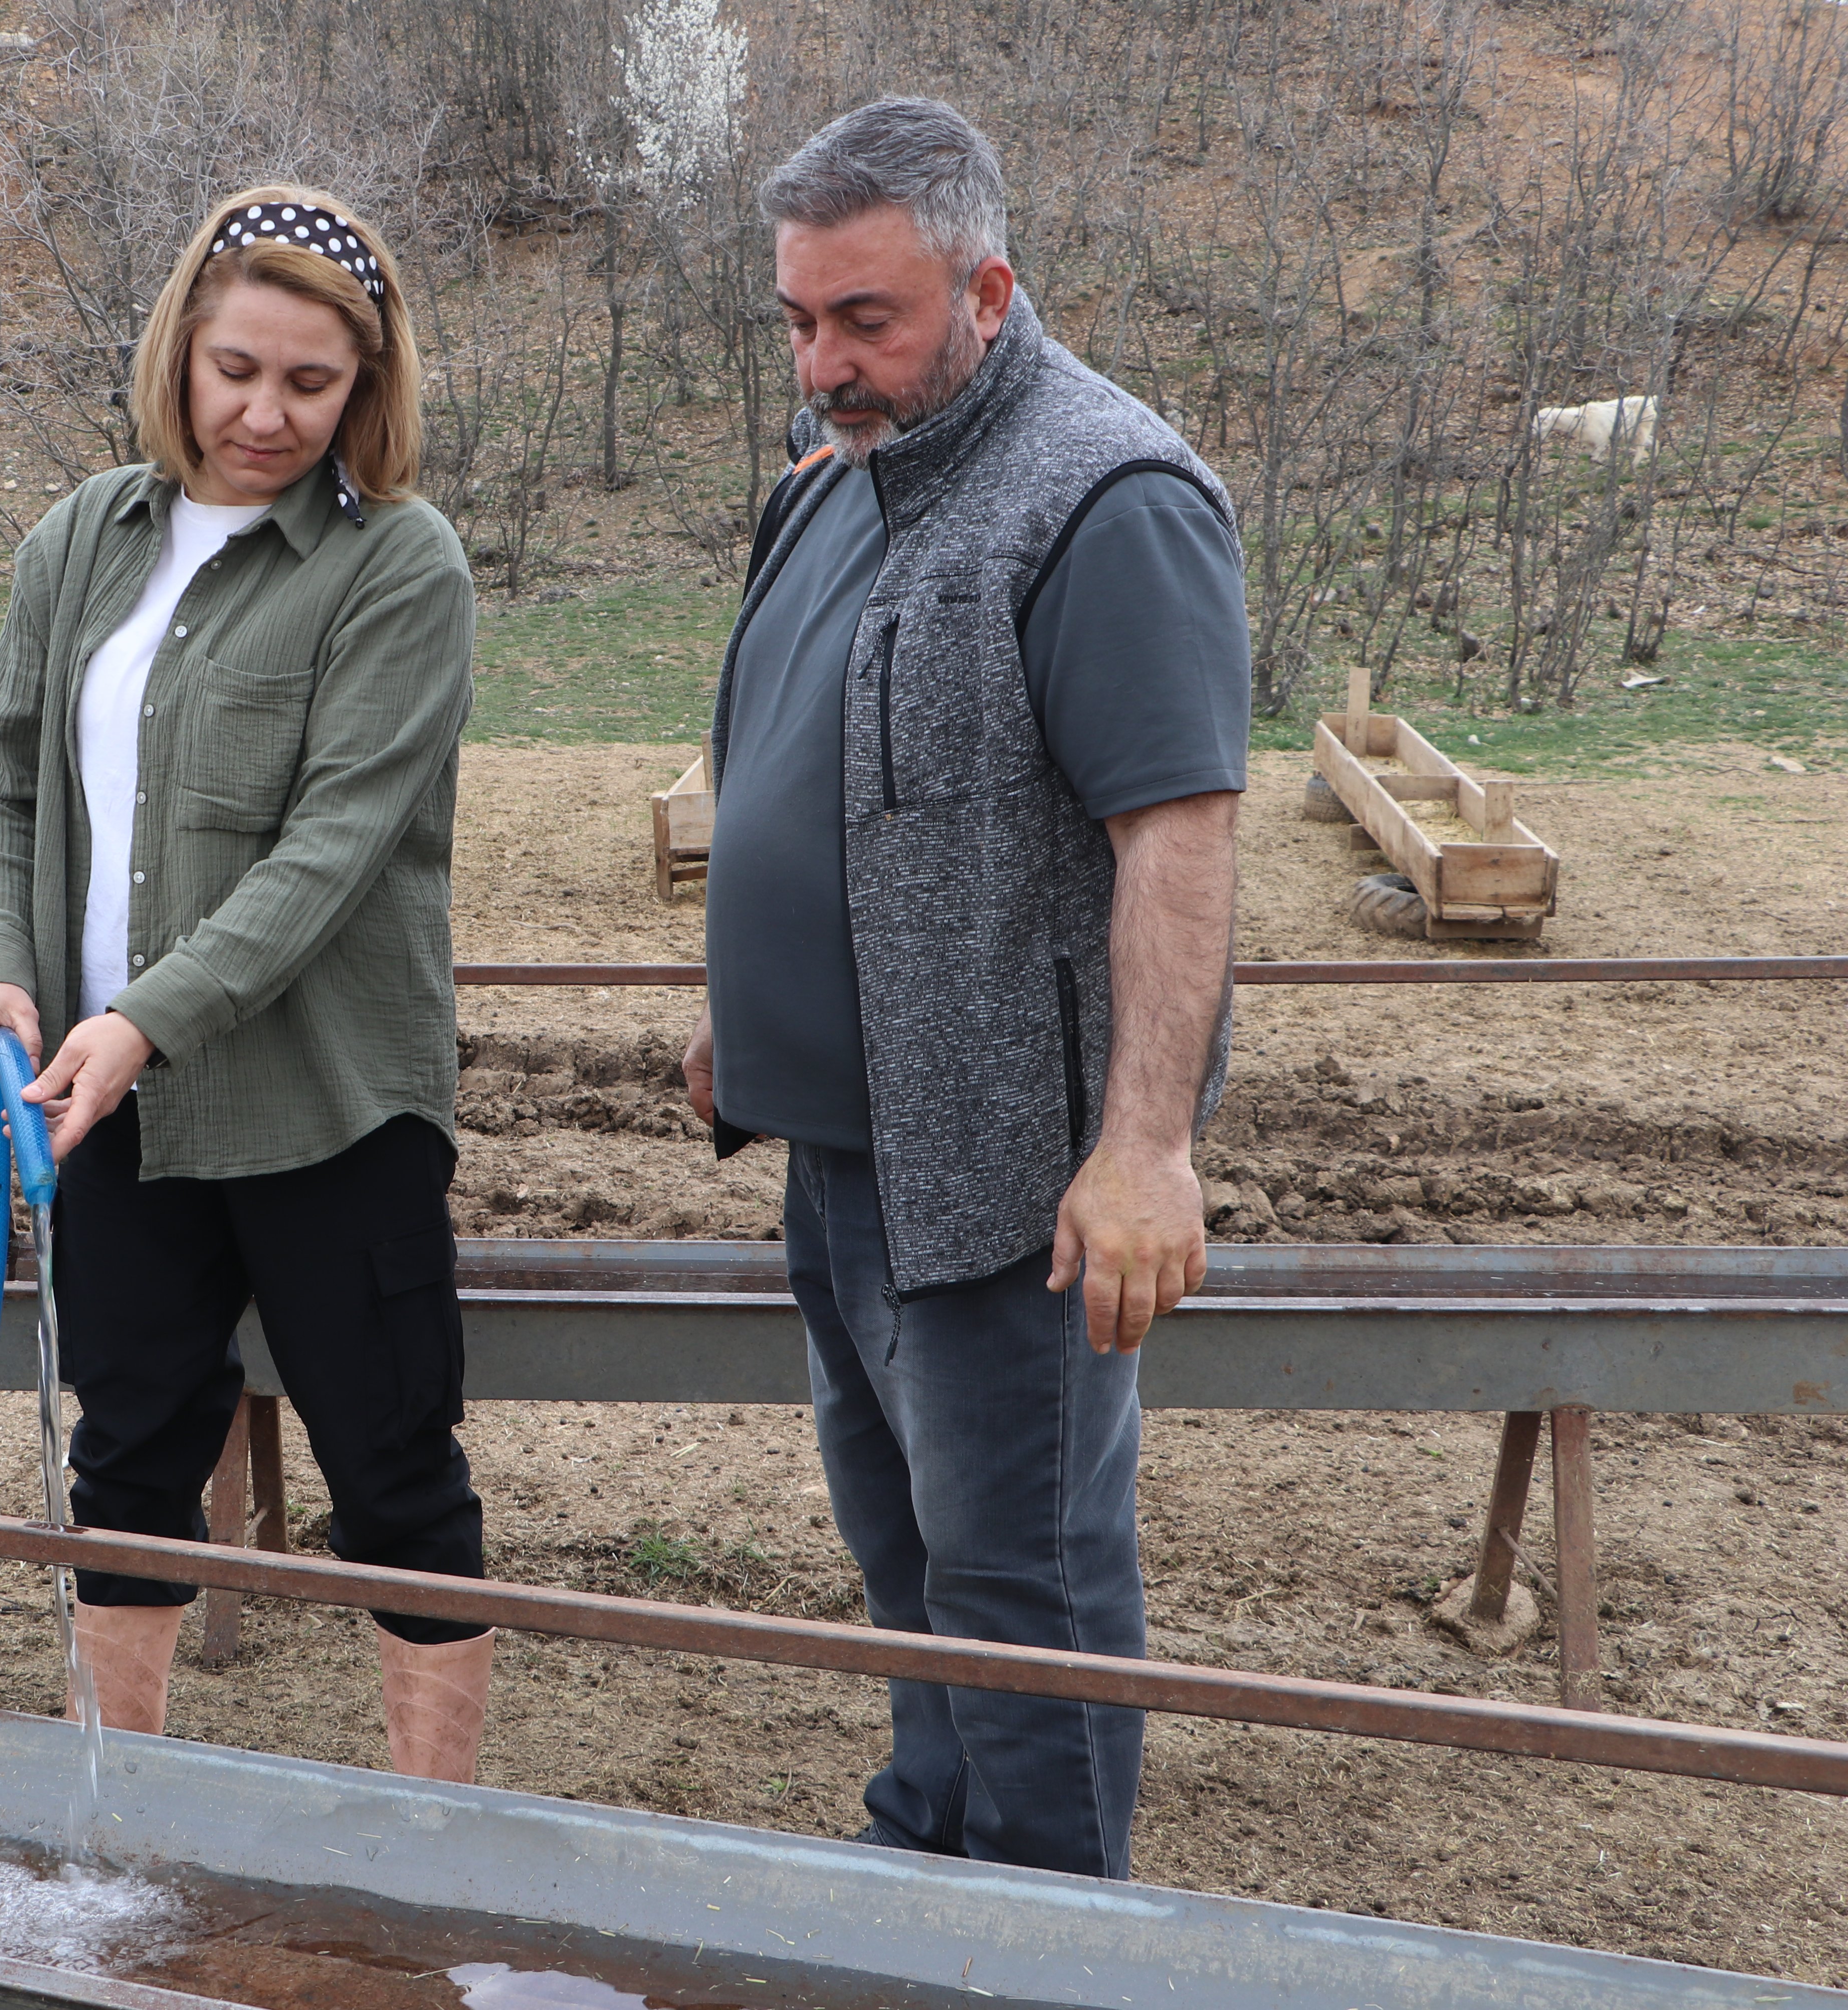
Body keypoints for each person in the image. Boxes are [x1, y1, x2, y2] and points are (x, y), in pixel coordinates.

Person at [681, 98, 1248, 1878]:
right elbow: (805, 749)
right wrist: (744, 1005)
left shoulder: (1105, 496)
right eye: (799, 318)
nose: (826, 360)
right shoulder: (844, 461)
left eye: (870, 320)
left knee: (1025, 1586)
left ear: (988, 288)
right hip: (840, 1150)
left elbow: (1181, 836)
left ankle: (1049, 1932)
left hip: (1013, 1185)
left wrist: (1146, 1146)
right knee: (909, 1557)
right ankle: (925, 1870)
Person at [0, 186, 490, 1780]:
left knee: (392, 1468)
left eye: (311, 386)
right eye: (235, 368)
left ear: (366, 393)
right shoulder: (82, 539)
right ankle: (131, 1820)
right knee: (127, 1460)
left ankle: (436, 1846)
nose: (264, 414)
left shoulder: (402, 569)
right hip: (106, 1113)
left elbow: (330, 856)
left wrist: (142, 1021)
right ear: (179, 350)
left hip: (328, 1109)